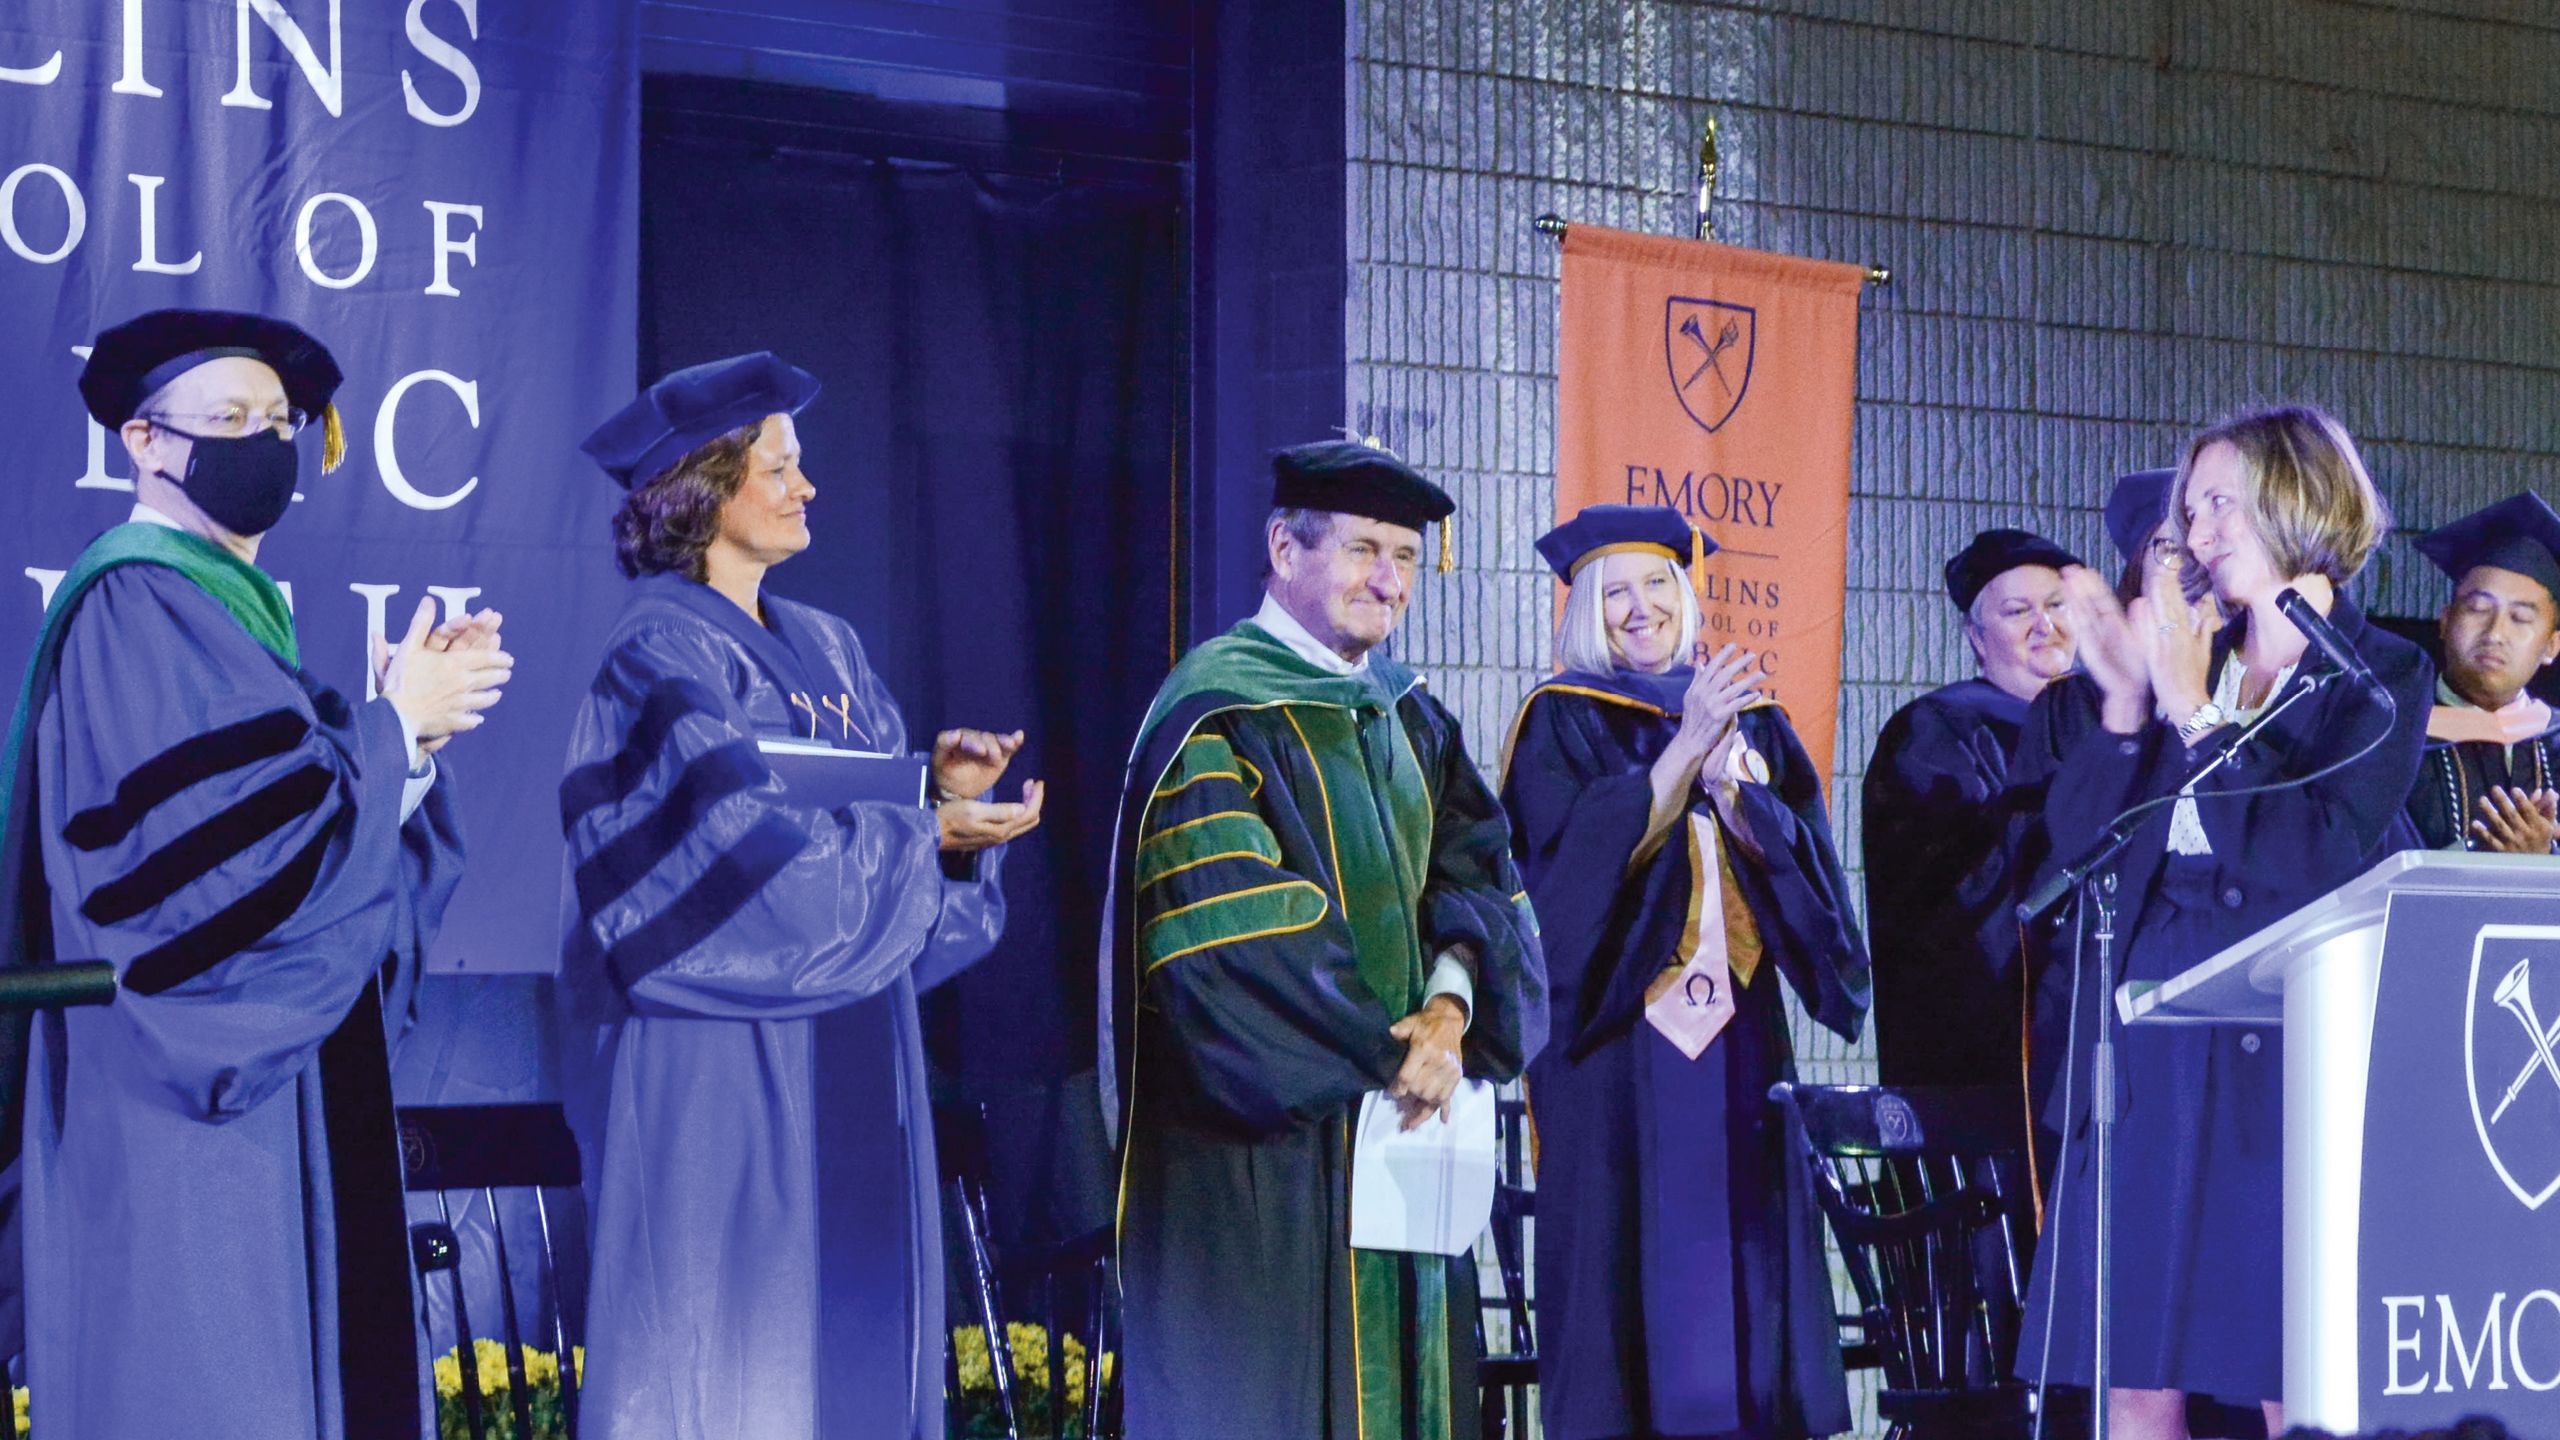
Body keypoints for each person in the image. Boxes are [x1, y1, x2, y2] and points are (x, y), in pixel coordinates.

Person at [0, 309, 509, 1439]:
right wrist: (384, 734)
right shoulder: (137, 599)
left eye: (279, 421)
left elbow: (279, 828)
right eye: (228, 419)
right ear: (144, 441)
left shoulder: (227, 617)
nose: (264, 442)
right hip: (182, 1096)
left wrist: (403, 750)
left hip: (259, 1095)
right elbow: (201, 881)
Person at [558, 352, 1042, 1440]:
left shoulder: (831, 645)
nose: (805, 486)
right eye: (778, 466)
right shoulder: (657, 648)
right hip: (718, 1061)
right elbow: (728, 863)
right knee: (731, 1356)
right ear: (701, 488)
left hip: (855, 1041)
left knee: (856, 1359)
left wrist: (946, 817)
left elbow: (890, 918)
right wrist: (921, 833)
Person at [1104, 439, 1545, 1440]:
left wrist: (1448, 1010)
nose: (1386, 579)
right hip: (1267, 1147)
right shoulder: (1214, 713)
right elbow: (1229, 942)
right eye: (1360, 550)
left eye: (1401, 556)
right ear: (1283, 548)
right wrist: (1394, 1053)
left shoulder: (1411, 717)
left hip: (1402, 1134)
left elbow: (1477, 877)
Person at [2010, 406, 2431, 1437]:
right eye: (2187, 511)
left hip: (2287, 1043)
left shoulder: (2375, 676)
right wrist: (2122, 703)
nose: (2195, 534)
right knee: (2135, 1364)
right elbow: (2076, 852)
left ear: (2297, 497)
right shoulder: (2185, 651)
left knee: (2292, 1360)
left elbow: (2308, 852)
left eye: (2217, 505)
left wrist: (2195, 710)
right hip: (2151, 1027)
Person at [1502, 504, 1868, 1440]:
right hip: (1619, 1050)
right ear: (1586, 612)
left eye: (1657, 585)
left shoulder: (1759, 724)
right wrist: (1679, 752)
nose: (1640, 608)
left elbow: (1815, 885)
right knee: (1628, 1285)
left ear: (1686, 596)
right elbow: (1560, 888)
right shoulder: (1561, 723)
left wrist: (1738, 790)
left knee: (1741, 1275)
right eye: (1614, 592)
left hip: (1741, 1043)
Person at [1865, 527, 2078, 1096]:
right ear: (1977, 638)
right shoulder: (1937, 731)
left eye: (2058, 605)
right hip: (1989, 1035)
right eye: (2018, 611)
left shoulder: (2111, 726)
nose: (2044, 624)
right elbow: (1953, 897)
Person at [2401, 492, 2560, 853]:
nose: (2495, 633)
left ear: (2551, 647)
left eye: (2520, 618)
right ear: (2444, 621)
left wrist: (2545, 860)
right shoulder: (2392, 737)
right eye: (2477, 609)